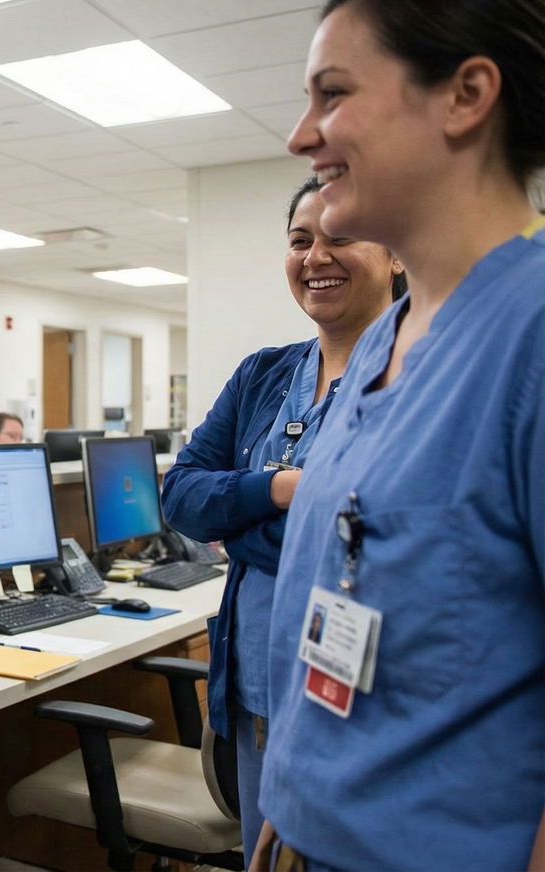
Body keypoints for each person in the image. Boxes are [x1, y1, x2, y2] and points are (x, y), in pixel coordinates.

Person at [251, 1, 545, 869]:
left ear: (466, 95)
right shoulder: (386, 334)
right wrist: (301, 799)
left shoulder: (530, 335)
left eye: (332, 93)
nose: (303, 135)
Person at [159, 176, 401, 863]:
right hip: (256, 687)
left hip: (361, 700)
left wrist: (237, 524)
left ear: (397, 254)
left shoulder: (416, 376)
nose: (316, 256)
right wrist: (285, 489)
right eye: (300, 241)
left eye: (341, 237)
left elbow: (377, 535)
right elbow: (180, 496)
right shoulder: (263, 375)